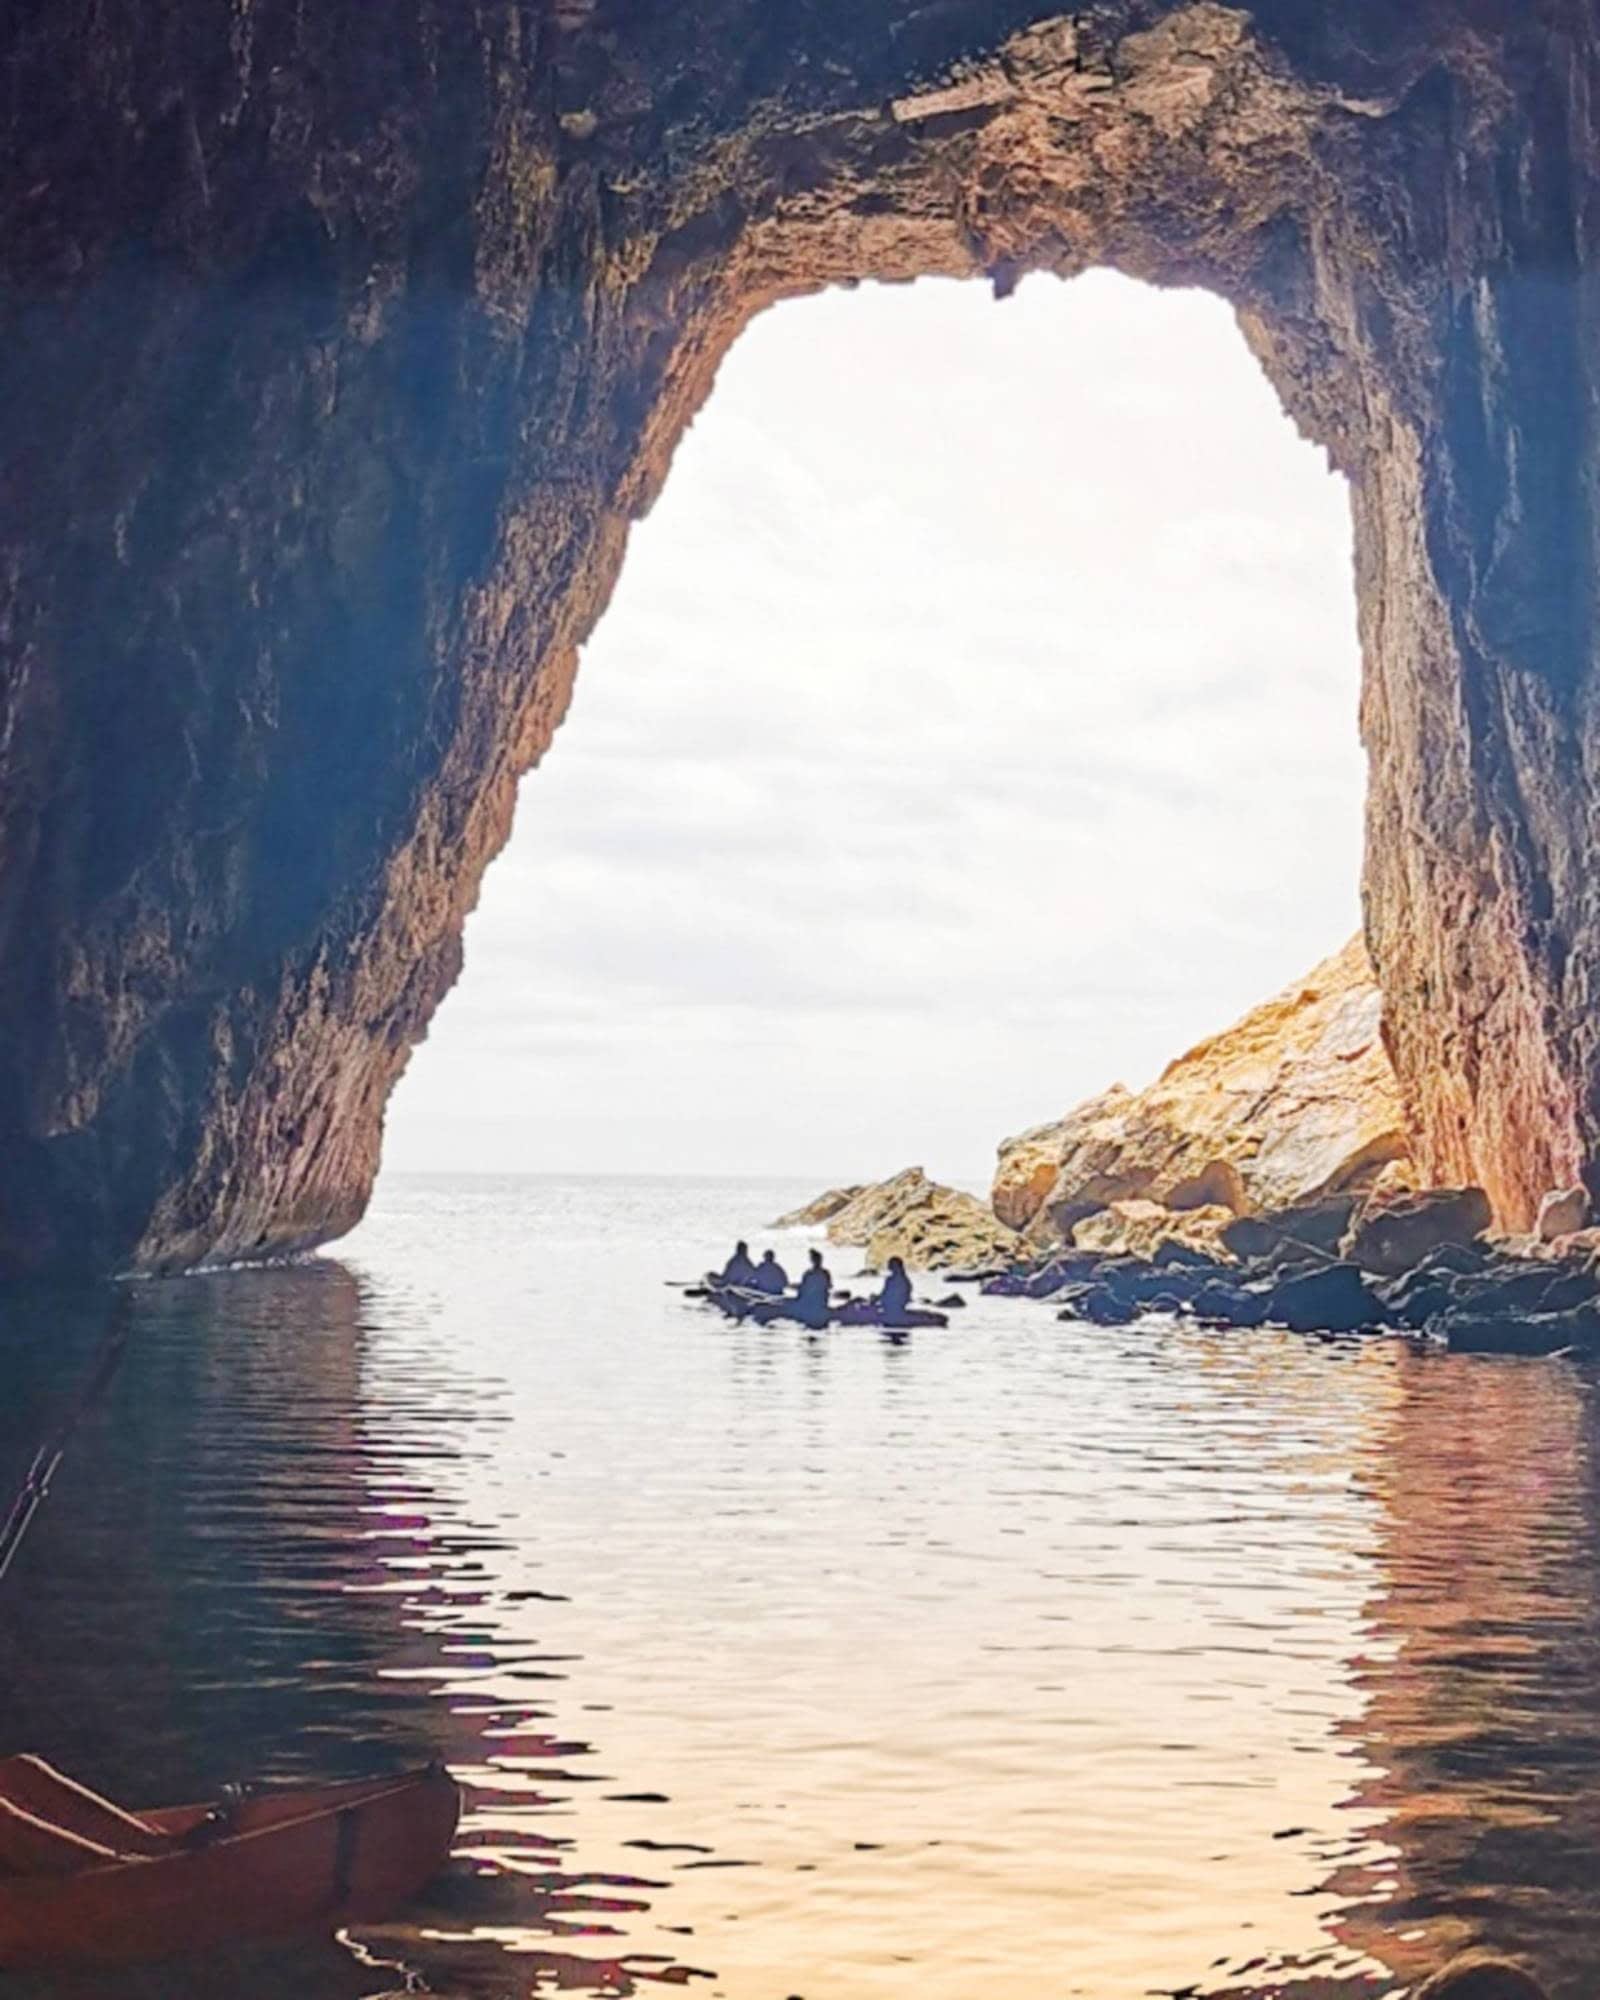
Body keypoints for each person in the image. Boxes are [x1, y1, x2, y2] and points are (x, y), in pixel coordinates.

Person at [794, 1248, 832, 1328]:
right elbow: (829, 1286)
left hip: (811, 1304)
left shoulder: (809, 1274)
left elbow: (802, 1290)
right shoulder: (825, 1273)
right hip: (821, 1303)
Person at [877, 1255, 912, 1325]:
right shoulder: (904, 1280)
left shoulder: (894, 1280)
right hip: (897, 1308)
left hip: (893, 1308)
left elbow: (886, 1295)